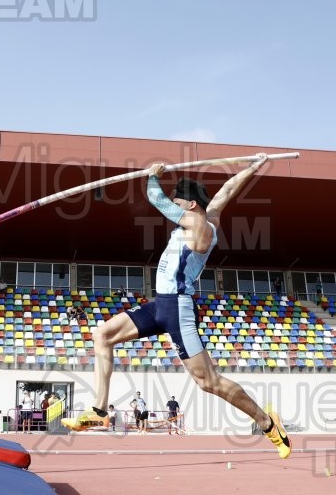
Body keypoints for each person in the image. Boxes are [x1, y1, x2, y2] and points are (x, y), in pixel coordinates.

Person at [74, 155, 291, 458]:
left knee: (208, 382)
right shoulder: (206, 216)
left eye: (178, 203)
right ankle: (99, 409)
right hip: (159, 304)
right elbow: (226, 191)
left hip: (178, 309)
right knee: (102, 335)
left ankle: (267, 423)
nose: (174, 208)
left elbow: (156, 198)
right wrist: (254, 166)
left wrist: (153, 175)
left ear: (189, 206)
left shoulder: (196, 223)